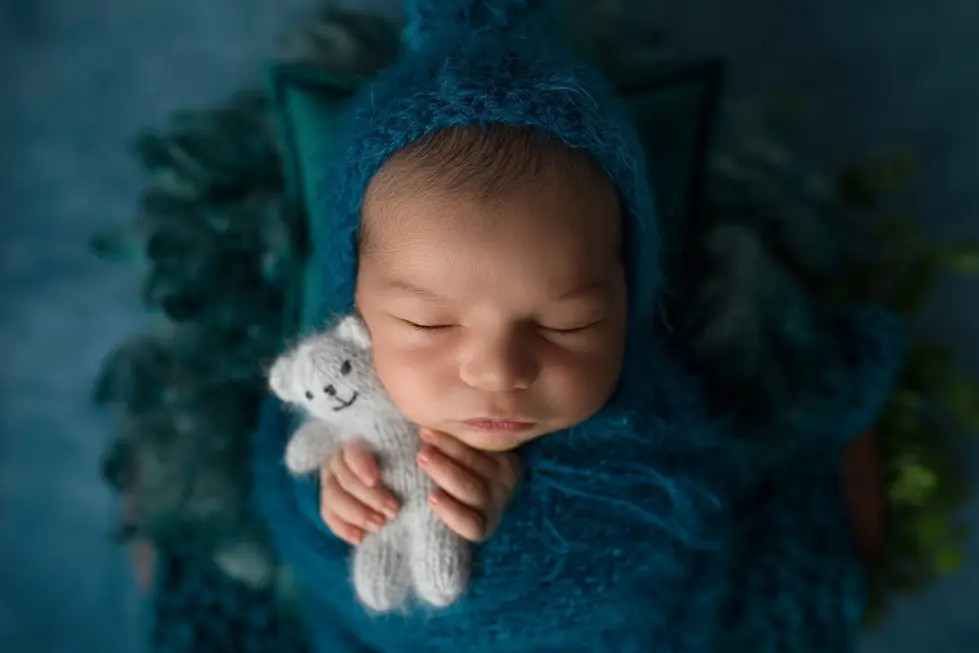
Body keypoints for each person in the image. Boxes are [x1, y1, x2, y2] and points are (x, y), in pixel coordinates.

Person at [253, 1, 906, 651]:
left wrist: (519, 511)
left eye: (568, 323)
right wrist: (331, 502)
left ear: (627, 296)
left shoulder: (650, 414)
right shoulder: (332, 396)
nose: (498, 370)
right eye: (429, 322)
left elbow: (668, 528)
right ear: (354, 309)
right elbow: (283, 508)